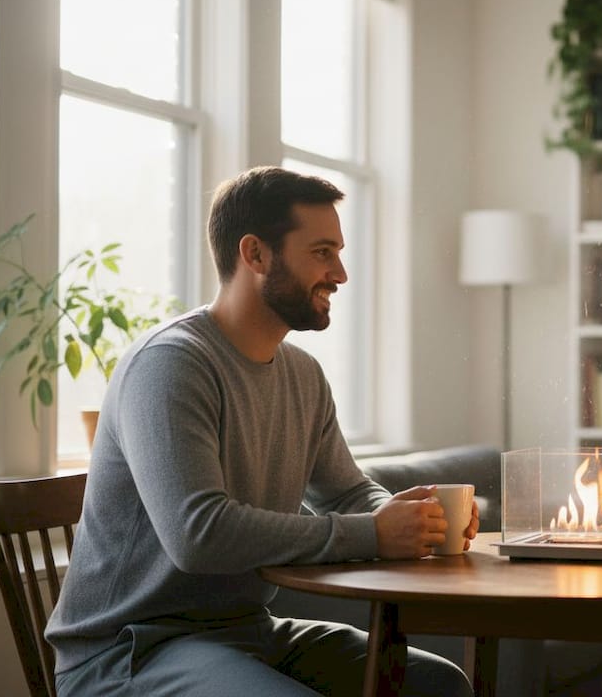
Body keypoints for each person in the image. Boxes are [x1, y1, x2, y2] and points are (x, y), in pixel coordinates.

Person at [45, 166, 478, 696]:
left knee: (439, 684)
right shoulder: (170, 366)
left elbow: (345, 490)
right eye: (322, 252)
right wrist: (374, 533)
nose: (340, 274)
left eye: (338, 252)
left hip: (248, 631)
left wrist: (410, 516)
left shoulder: (302, 374)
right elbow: (198, 536)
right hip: (129, 652)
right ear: (255, 255)